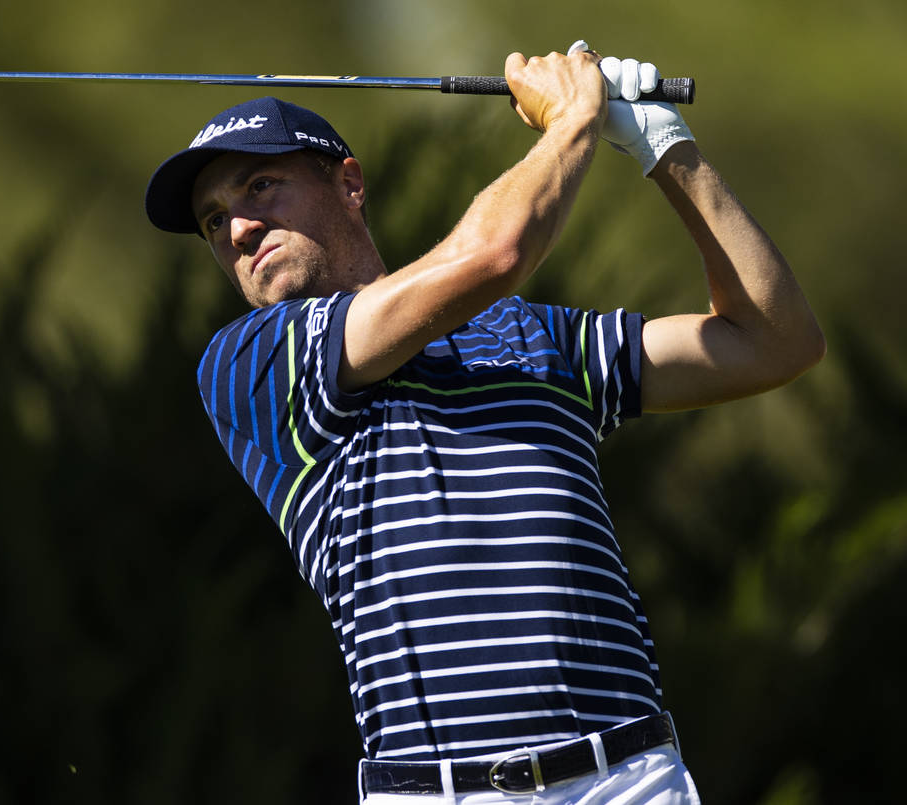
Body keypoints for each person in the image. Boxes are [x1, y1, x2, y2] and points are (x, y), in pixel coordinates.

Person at [144, 40, 824, 804]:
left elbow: (774, 341)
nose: (237, 229)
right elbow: (496, 251)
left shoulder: (537, 338)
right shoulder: (253, 363)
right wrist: (572, 122)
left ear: (349, 183)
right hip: (440, 791)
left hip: (628, 781)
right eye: (212, 221)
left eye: (260, 186)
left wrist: (665, 147)